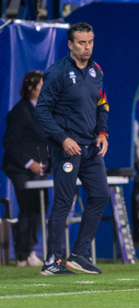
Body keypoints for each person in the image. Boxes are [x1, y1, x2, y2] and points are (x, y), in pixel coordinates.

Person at [35, 22, 110, 275]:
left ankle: (78, 254)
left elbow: (102, 104)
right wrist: (62, 138)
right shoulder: (56, 73)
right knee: (64, 202)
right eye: (81, 42)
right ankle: (51, 262)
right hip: (66, 149)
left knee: (100, 195)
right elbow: (42, 111)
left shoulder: (96, 71)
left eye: (90, 42)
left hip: (90, 148)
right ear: (70, 44)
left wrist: (102, 132)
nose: (87, 47)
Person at [2, 71, 48, 267]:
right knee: (28, 207)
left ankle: (30, 251)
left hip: (39, 170)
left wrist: (44, 164)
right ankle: (21, 255)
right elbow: (10, 143)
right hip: (19, 168)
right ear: (31, 88)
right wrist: (30, 163)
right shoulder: (19, 112)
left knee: (40, 206)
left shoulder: (43, 110)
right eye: (41, 85)